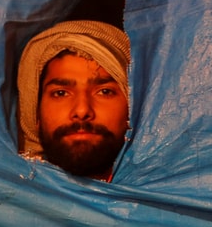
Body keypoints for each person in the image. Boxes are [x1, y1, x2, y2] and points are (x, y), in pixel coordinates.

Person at [17, 20, 131, 181]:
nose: (82, 110)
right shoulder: (3, 190)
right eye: (61, 93)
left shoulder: (161, 190)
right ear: (35, 114)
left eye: (104, 92)